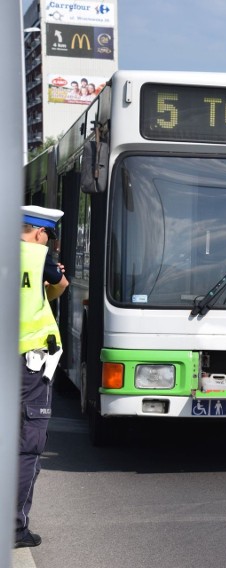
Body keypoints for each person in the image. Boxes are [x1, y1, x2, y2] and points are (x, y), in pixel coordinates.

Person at [17, 205, 69, 549]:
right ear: (39, 232)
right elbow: (60, 286)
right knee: (27, 444)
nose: (48, 241)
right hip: (28, 363)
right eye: (48, 235)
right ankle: (14, 528)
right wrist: (49, 280)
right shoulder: (37, 256)